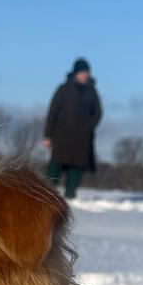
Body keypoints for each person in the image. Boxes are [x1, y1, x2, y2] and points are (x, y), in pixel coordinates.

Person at [43, 59, 102, 200]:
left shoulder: (91, 91)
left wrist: (89, 126)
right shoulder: (64, 89)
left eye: (86, 73)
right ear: (75, 73)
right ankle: (46, 194)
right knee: (55, 165)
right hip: (62, 135)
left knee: (76, 167)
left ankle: (70, 195)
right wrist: (48, 135)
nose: (84, 75)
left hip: (82, 138)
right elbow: (53, 112)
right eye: (82, 72)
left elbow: (98, 112)